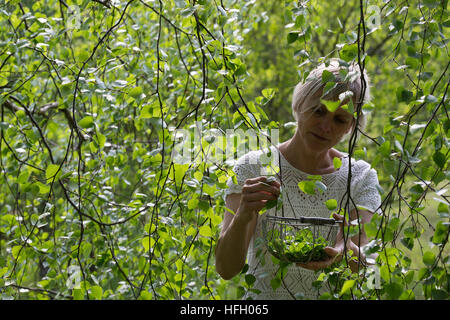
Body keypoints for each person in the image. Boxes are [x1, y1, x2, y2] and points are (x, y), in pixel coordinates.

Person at [215, 59, 382, 299]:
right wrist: (243, 214)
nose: (325, 126)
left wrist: (347, 251)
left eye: (339, 119)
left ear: (351, 126)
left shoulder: (360, 178)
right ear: (300, 105)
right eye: (319, 111)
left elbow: (372, 276)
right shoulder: (254, 168)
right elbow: (225, 269)